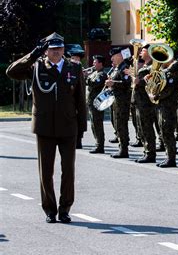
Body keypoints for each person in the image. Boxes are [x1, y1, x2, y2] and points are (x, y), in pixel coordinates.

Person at [6, 32, 87, 223]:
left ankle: (65, 208)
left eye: (59, 48)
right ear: (46, 51)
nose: (56, 52)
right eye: (52, 49)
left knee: (68, 170)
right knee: (46, 171)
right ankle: (50, 210)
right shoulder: (35, 66)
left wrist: (81, 129)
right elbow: (11, 71)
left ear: (64, 49)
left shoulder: (74, 68)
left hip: (68, 126)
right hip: (44, 126)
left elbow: (80, 100)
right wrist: (33, 54)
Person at [129, 42, 157, 163]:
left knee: (147, 128)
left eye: (143, 50)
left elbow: (153, 82)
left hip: (146, 103)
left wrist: (138, 81)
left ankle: (150, 153)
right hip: (139, 102)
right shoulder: (145, 65)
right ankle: (147, 151)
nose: (140, 52)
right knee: (142, 128)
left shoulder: (152, 67)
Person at [107, 47, 132, 158]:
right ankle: (121, 147)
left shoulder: (125, 67)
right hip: (116, 100)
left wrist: (113, 83)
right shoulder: (117, 68)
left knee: (121, 125)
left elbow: (127, 83)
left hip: (122, 101)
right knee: (118, 124)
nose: (112, 58)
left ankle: (124, 150)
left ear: (119, 56)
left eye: (113, 56)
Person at [85, 55, 108, 153]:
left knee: (97, 124)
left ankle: (100, 145)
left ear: (100, 63)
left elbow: (94, 83)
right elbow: (87, 82)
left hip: (97, 103)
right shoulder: (94, 72)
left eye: (95, 62)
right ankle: (97, 143)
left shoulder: (102, 74)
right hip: (91, 102)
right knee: (93, 124)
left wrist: (86, 76)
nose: (93, 64)